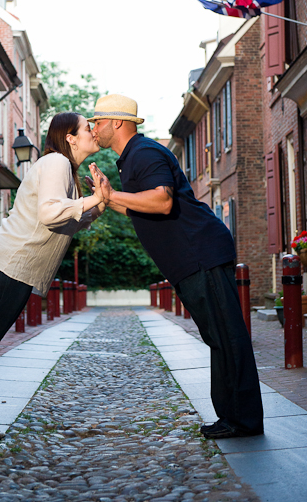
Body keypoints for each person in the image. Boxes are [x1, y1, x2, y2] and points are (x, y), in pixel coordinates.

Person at [88, 93, 263, 440]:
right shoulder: (131, 158)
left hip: (200, 254)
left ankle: (244, 421)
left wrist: (110, 197)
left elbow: (162, 201)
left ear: (117, 123)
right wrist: (110, 199)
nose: (94, 128)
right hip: (189, 260)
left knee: (228, 338)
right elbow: (141, 206)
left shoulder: (144, 152)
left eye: (98, 121)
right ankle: (231, 416)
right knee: (217, 338)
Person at [0, 112, 105, 446]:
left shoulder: (63, 170)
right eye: (88, 128)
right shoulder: (57, 162)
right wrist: (95, 199)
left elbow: (66, 223)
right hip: (8, 264)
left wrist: (99, 203)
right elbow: (50, 213)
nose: (94, 133)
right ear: (70, 137)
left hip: (11, 266)